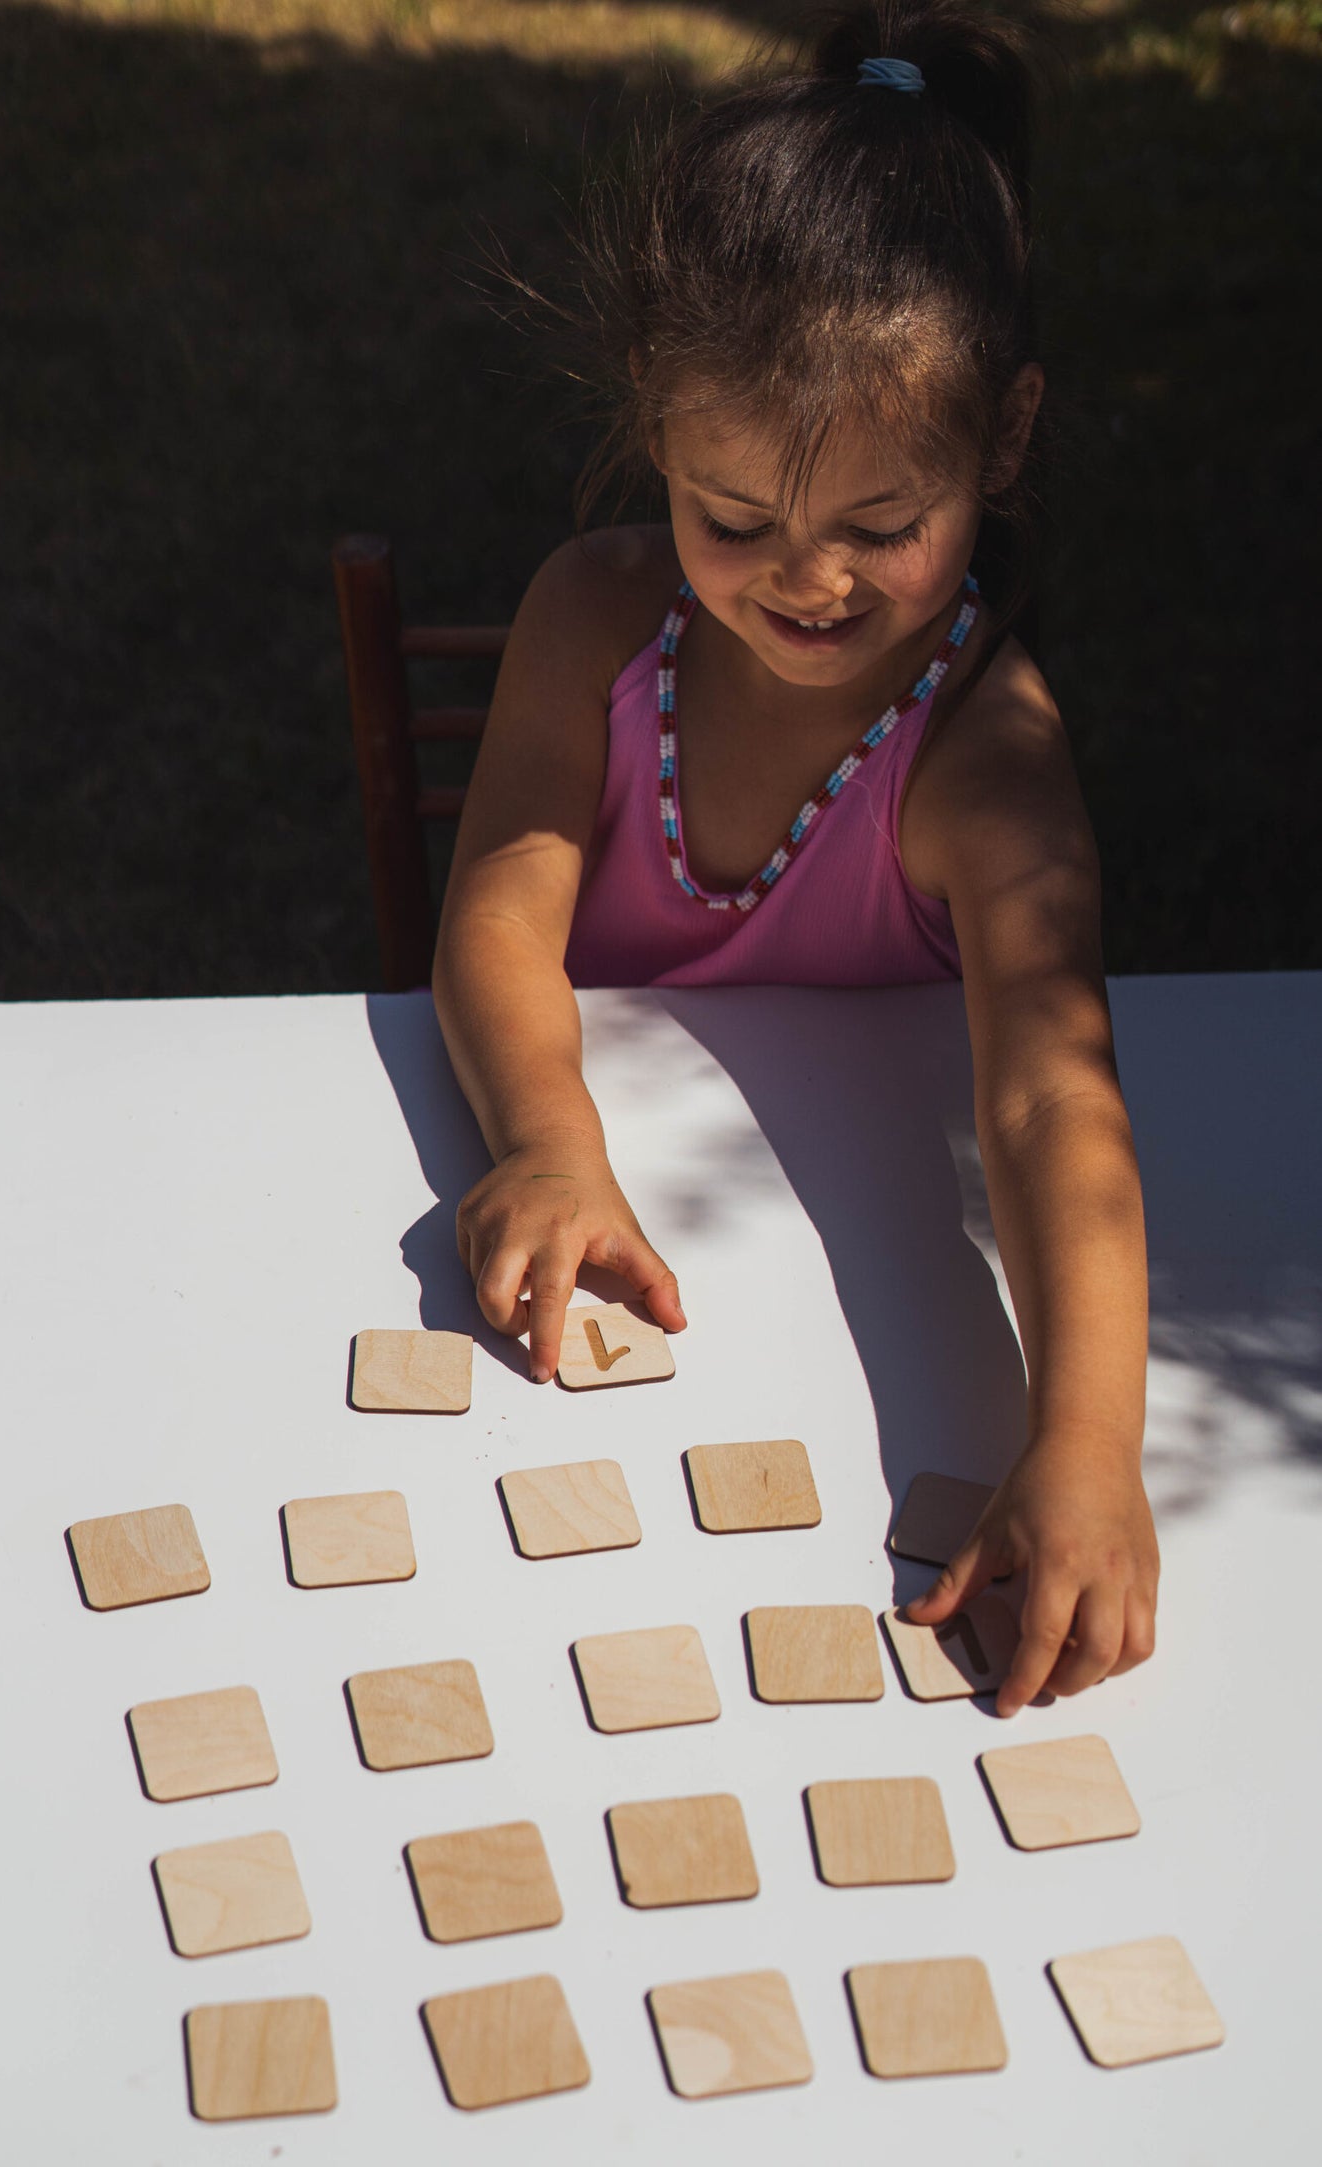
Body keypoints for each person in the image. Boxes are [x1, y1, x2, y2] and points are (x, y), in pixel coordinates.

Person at [431, 0, 1158, 1717]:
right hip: (607, 1313)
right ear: (655, 428)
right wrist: (543, 1139)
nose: (804, 584)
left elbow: (1056, 1103)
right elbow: (496, 906)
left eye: (881, 529)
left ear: (1004, 436)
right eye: (732, 519)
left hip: (814, 1366)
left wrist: (1084, 1446)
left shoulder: (989, 759)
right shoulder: (591, 619)